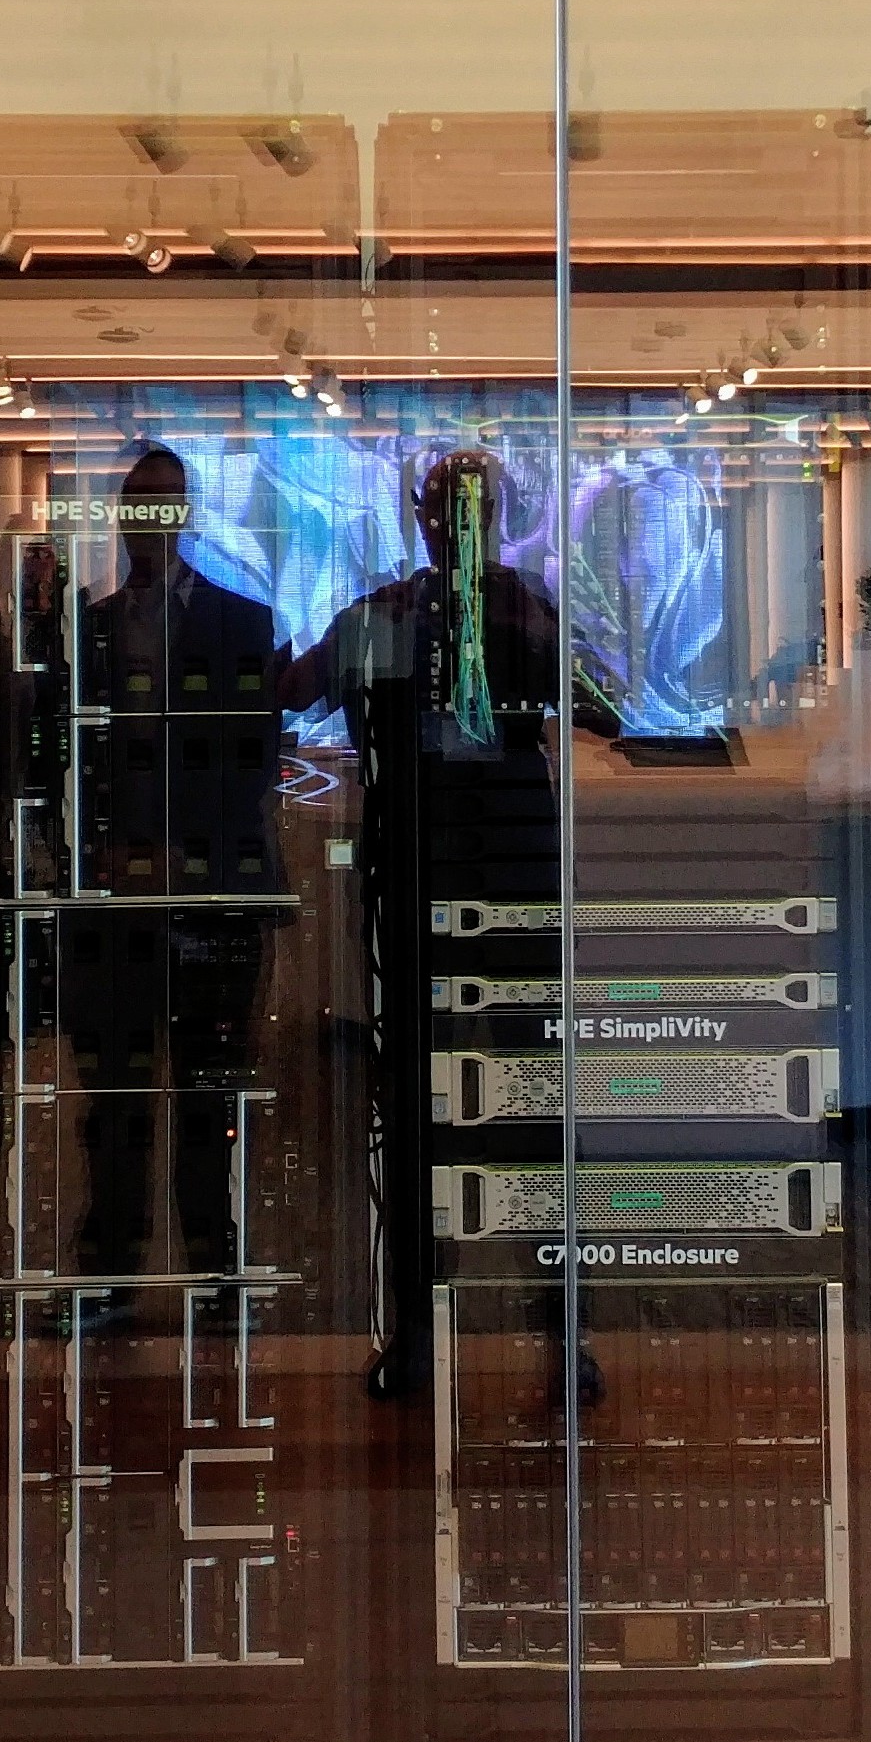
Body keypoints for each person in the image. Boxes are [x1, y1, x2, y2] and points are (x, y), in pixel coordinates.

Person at [285, 447, 619, 1397]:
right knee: (418, 1115)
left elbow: (604, 708)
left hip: (509, 893)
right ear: (422, 520)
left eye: (473, 508)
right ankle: (420, 1337)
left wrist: (535, 631)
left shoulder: (522, 608)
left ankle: (559, 1334)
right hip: (423, 890)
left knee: (535, 1113)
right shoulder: (387, 614)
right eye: (445, 509)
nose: (456, 525)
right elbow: (294, 687)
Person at [62, 447, 287, 1296]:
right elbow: (67, 763)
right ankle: (111, 1271)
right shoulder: (88, 629)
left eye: (164, 502)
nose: (149, 517)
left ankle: (212, 1261)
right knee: (112, 1098)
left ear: (185, 513)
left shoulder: (242, 621)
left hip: (211, 892)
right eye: (135, 502)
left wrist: (170, 853)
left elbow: (251, 762)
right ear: (121, 514)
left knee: (208, 1090)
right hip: (115, 903)